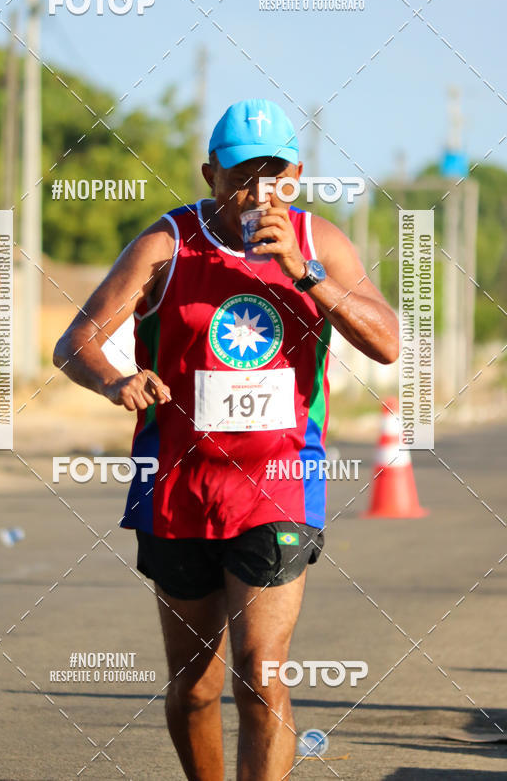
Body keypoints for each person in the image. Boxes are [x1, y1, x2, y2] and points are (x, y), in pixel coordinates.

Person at [53, 98, 399, 780]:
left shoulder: (318, 243)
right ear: (210, 173)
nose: (256, 191)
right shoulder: (167, 244)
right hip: (179, 488)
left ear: (296, 176)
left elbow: (387, 343)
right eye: (241, 174)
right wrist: (112, 380)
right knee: (196, 686)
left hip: (278, 486)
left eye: (272, 174)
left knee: (259, 672)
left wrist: (306, 272)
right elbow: (75, 343)